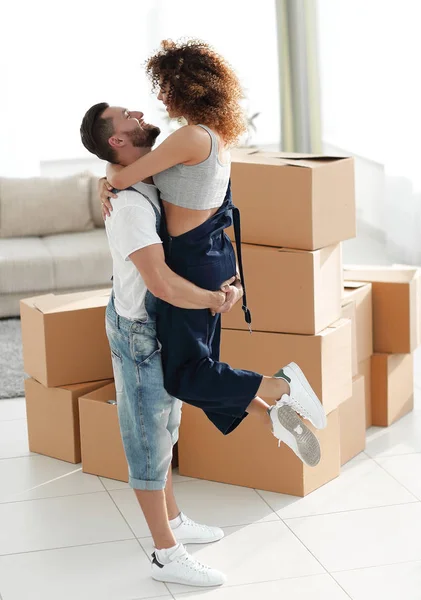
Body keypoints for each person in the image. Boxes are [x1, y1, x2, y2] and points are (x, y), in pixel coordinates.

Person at [80, 97, 323, 587]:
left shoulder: (139, 175)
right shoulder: (127, 204)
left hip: (161, 320)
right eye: (130, 117)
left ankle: (173, 521)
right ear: (117, 140)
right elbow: (163, 285)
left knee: (169, 425)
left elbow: (151, 181)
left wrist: (106, 177)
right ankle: (165, 555)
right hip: (139, 330)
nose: (142, 116)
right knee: (147, 445)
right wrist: (213, 299)